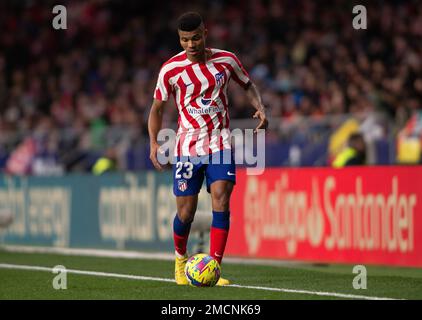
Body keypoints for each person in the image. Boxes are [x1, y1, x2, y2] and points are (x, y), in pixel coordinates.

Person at [148, 12, 268, 286]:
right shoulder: (170, 70)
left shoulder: (226, 60)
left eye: (195, 38)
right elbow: (157, 108)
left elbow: (248, 85)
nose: (191, 44)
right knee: (186, 213)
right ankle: (180, 260)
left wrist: (259, 107)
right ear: (180, 40)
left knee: (222, 198)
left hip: (220, 142)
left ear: (205, 33)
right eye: (184, 40)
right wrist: (154, 141)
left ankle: (213, 267)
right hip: (187, 146)